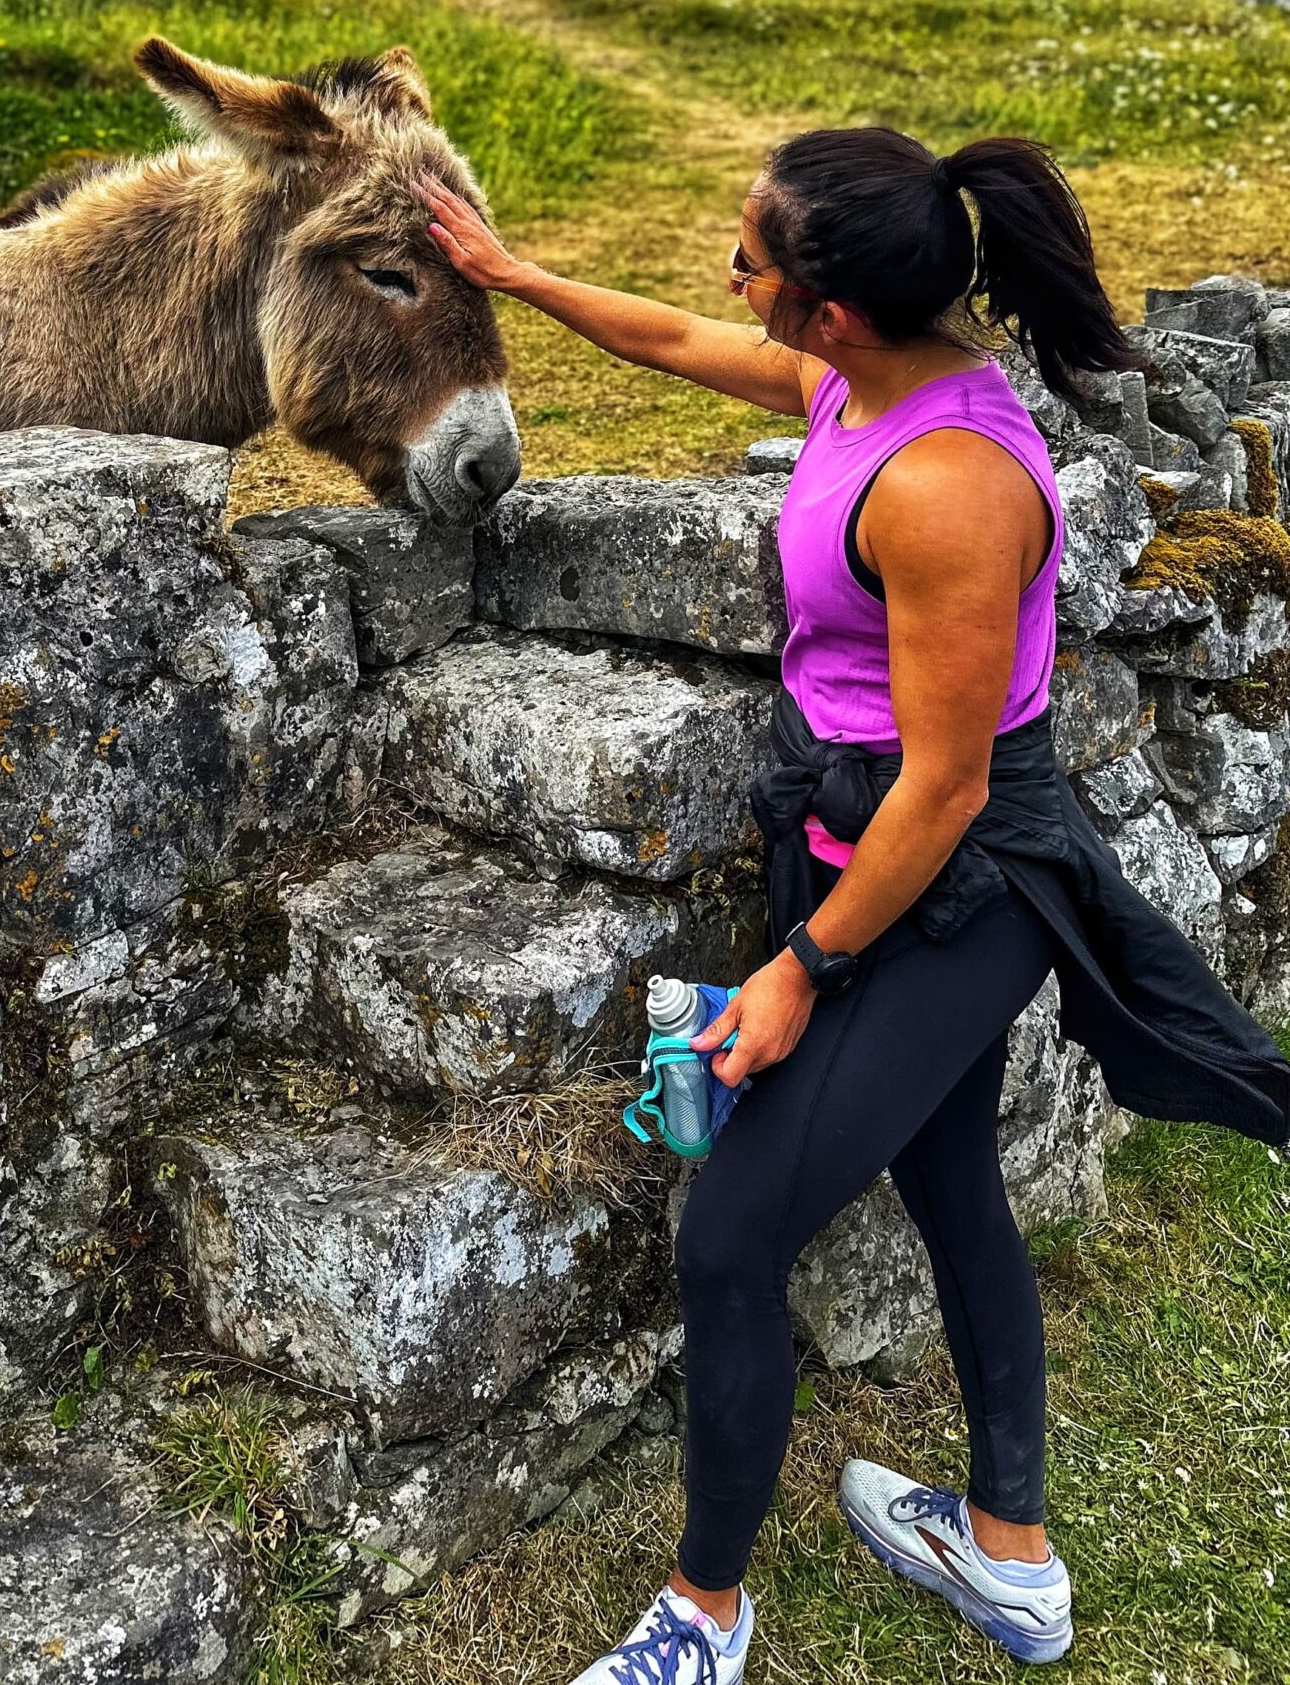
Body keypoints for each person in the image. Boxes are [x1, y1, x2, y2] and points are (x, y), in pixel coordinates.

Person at [419, 126, 1290, 1682]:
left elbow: (949, 785)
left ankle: (703, 1617)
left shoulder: (950, 481)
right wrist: (511, 275)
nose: (726, 272)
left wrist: (805, 965)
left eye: (750, 254)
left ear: (830, 310)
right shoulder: (861, 380)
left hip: (952, 885)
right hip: (861, 843)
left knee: (734, 1237)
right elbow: (684, 344)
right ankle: (1009, 1556)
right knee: (954, 1180)